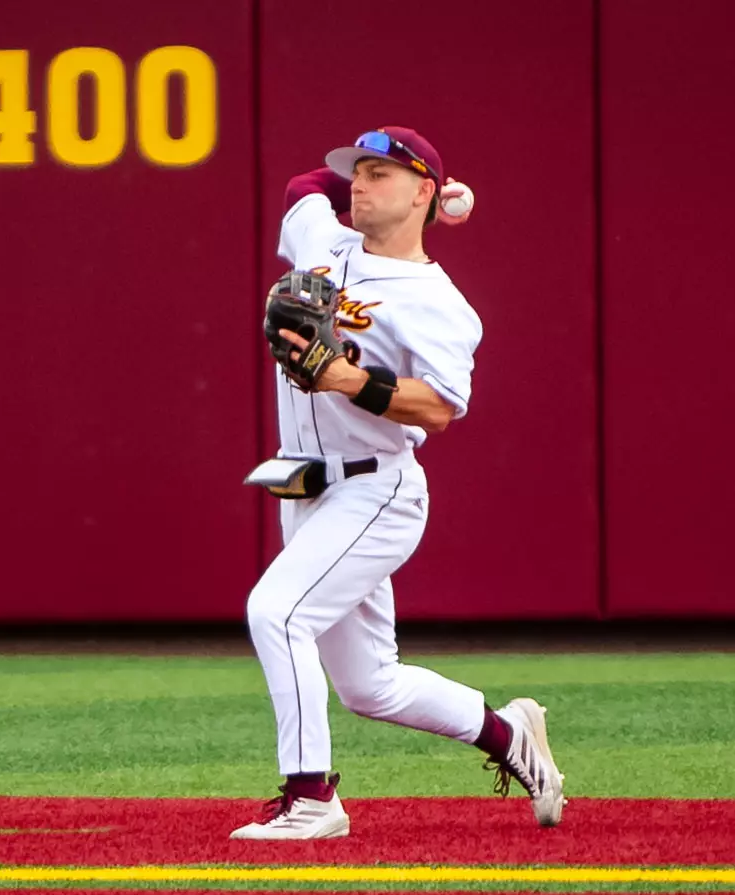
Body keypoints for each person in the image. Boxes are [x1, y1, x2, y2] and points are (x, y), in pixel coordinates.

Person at [232, 127, 565, 841]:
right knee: (369, 685)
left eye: (380, 173)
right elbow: (300, 190)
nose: (359, 183)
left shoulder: (437, 301)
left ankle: (311, 799)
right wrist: (440, 196)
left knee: (277, 613)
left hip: (375, 490)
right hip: (310, 490)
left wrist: (345, 377)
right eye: (357, 171)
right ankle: (511, 737)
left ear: (415, 191)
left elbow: (438, 408)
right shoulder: (326, 243)